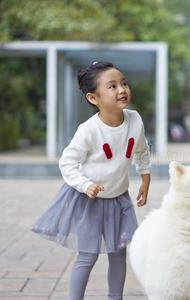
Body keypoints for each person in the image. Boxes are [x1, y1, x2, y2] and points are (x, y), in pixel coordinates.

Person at [32, 61, 151, 300]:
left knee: (119, 253)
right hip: (90, 200)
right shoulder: (88, 130)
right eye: (112, 86)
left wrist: (145, 179)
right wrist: (86, 185)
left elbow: (142, 149)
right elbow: (67, 162)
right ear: (93, 97)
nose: (122, 90)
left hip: (119, 199)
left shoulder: (135, 119)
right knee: (88, 255)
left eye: (124, 83)